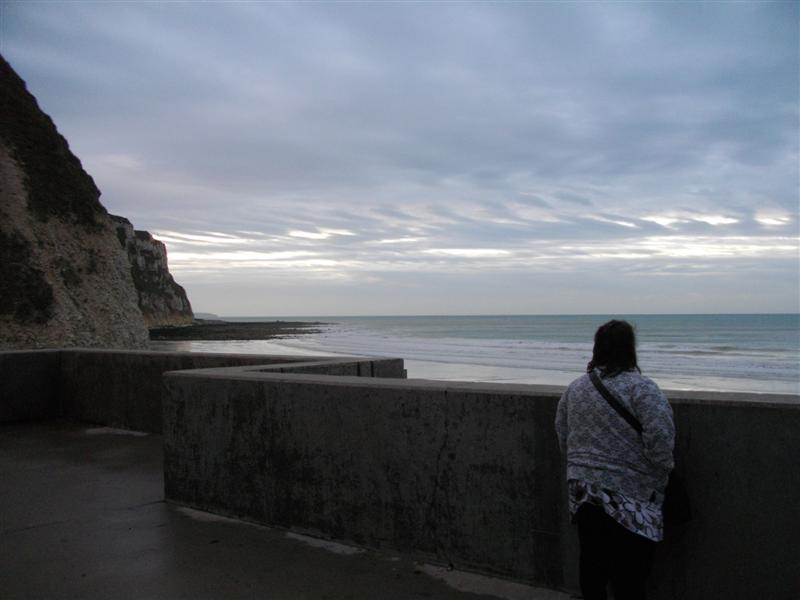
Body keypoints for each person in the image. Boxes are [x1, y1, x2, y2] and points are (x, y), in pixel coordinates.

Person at [555, 320, 675, 600]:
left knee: (592, 568)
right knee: (630, 577)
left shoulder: (575, 389)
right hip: (631, 496)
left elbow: (563, 434)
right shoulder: (642, 389)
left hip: (584, 491)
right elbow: (661, 441)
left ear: (597, 348)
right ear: (630, 349)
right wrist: (662, 475)